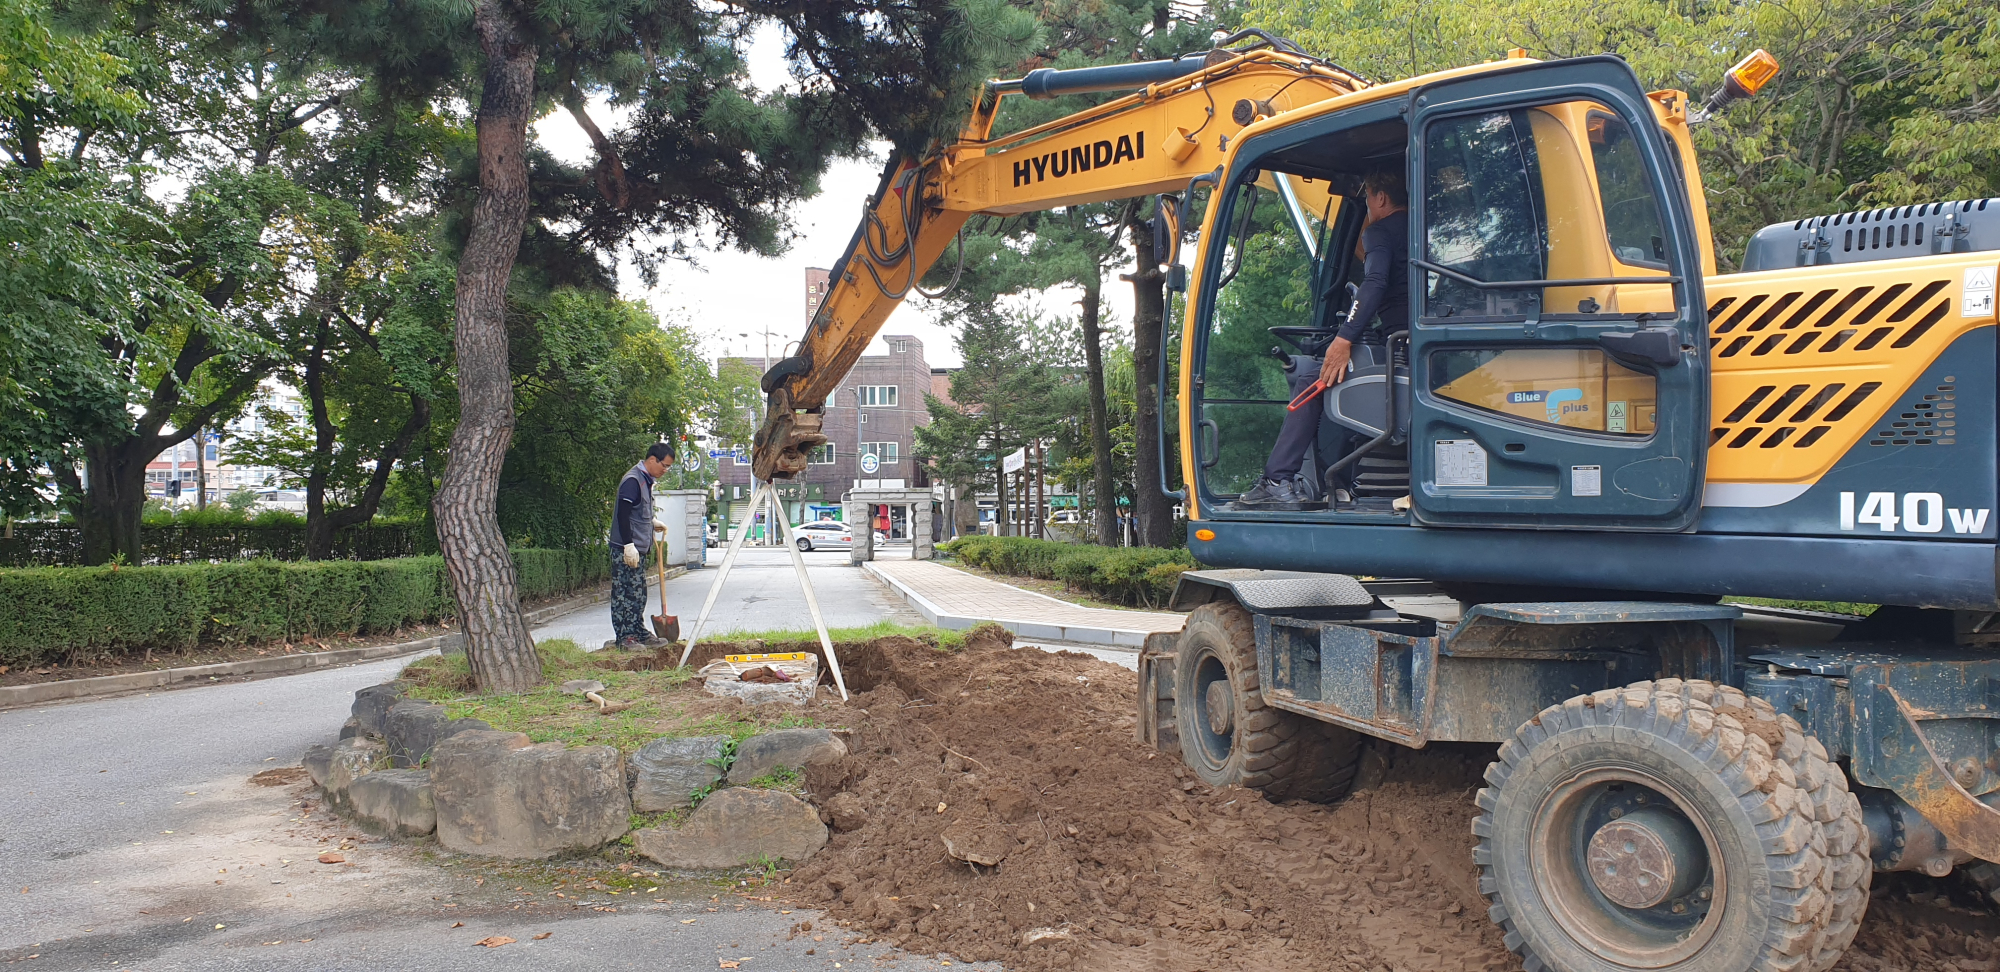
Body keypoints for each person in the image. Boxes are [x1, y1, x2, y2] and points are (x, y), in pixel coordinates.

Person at [1234, 167, 1411, 510]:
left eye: (1368, 199)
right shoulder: (1419, 232)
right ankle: (1341, 484)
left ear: (1381, 198)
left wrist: (1344, 338)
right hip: (1416, 344)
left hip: (1399, 350)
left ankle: (1277, 479)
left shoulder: (1382, 232)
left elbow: (1374, 282)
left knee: (1312, 379)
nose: (1369, 206)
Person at [610, 442, 674, 649]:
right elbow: (622, 514)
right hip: (625, 548)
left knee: (638, 593)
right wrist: (628, 545)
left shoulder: (646, 481)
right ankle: (625, 638)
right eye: (664, 465)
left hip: (638, 549)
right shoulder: (632, 481)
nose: (665, 470)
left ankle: (638, 631)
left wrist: (650, 522)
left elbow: (637, 512)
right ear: (652, 460)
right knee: (624, 593)